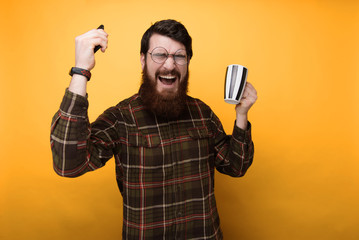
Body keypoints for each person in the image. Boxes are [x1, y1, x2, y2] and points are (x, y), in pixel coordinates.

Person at [50, 19, 257, 240]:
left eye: (179, 56)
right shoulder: (121, 118)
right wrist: (81, 71)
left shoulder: (202, 113)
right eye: (159, 54)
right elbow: (68, 164)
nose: (170, 65)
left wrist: (242, 114)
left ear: (187, 62)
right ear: (142, 60)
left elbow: (236, 166)